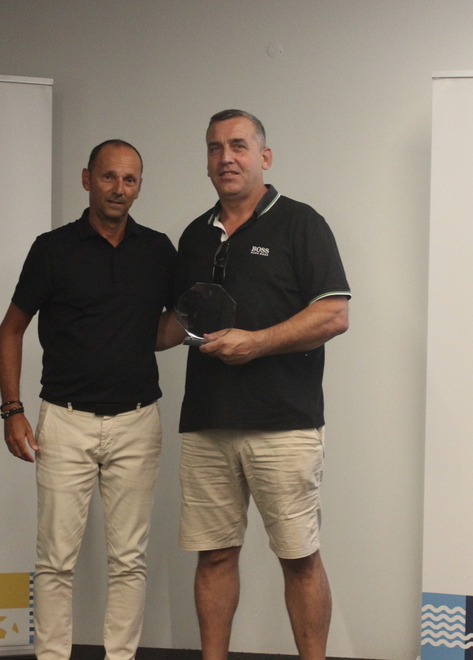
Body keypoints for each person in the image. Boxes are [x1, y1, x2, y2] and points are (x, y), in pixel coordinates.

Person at [159, 110, 350, 660]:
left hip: (283, 423)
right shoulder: (194, 235)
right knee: (214, 556)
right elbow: (177, 323)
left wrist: (257, 343)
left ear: (264, 156)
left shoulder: (300, 223)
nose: (226, 158)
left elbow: (334, 314)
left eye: (238, 146)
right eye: (215, 148)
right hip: (207, 422)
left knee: (299, 558)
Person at [0, 139, 176, 660]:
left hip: (138, 422)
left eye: (130, 179)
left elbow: (173, 323)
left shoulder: (158, 250)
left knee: (129, 560)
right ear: (86, 179)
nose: (119, 189)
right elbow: (11, 330)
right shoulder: (52, 249)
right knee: (55, 560)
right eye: (108, 176)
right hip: (65, 420)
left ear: (139, 187)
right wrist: (12, 410)